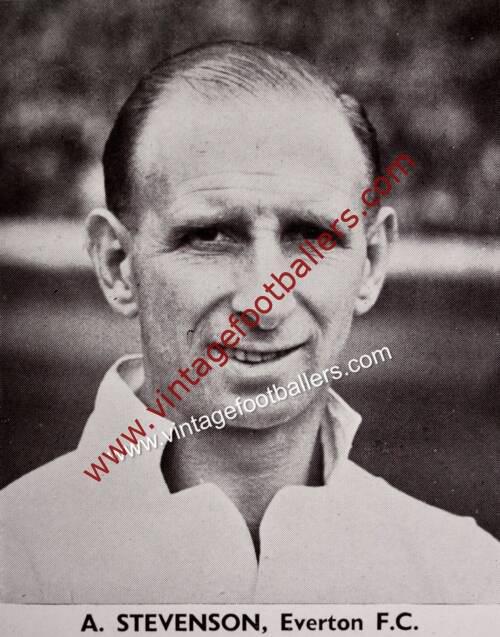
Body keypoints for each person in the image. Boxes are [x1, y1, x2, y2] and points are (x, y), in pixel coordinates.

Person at [1, 42, 498, 603]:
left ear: (372, 261)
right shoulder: (14, 569)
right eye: (210, 235)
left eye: (311, 235)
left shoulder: (466, 584)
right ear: (117, 264)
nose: (266, 301)